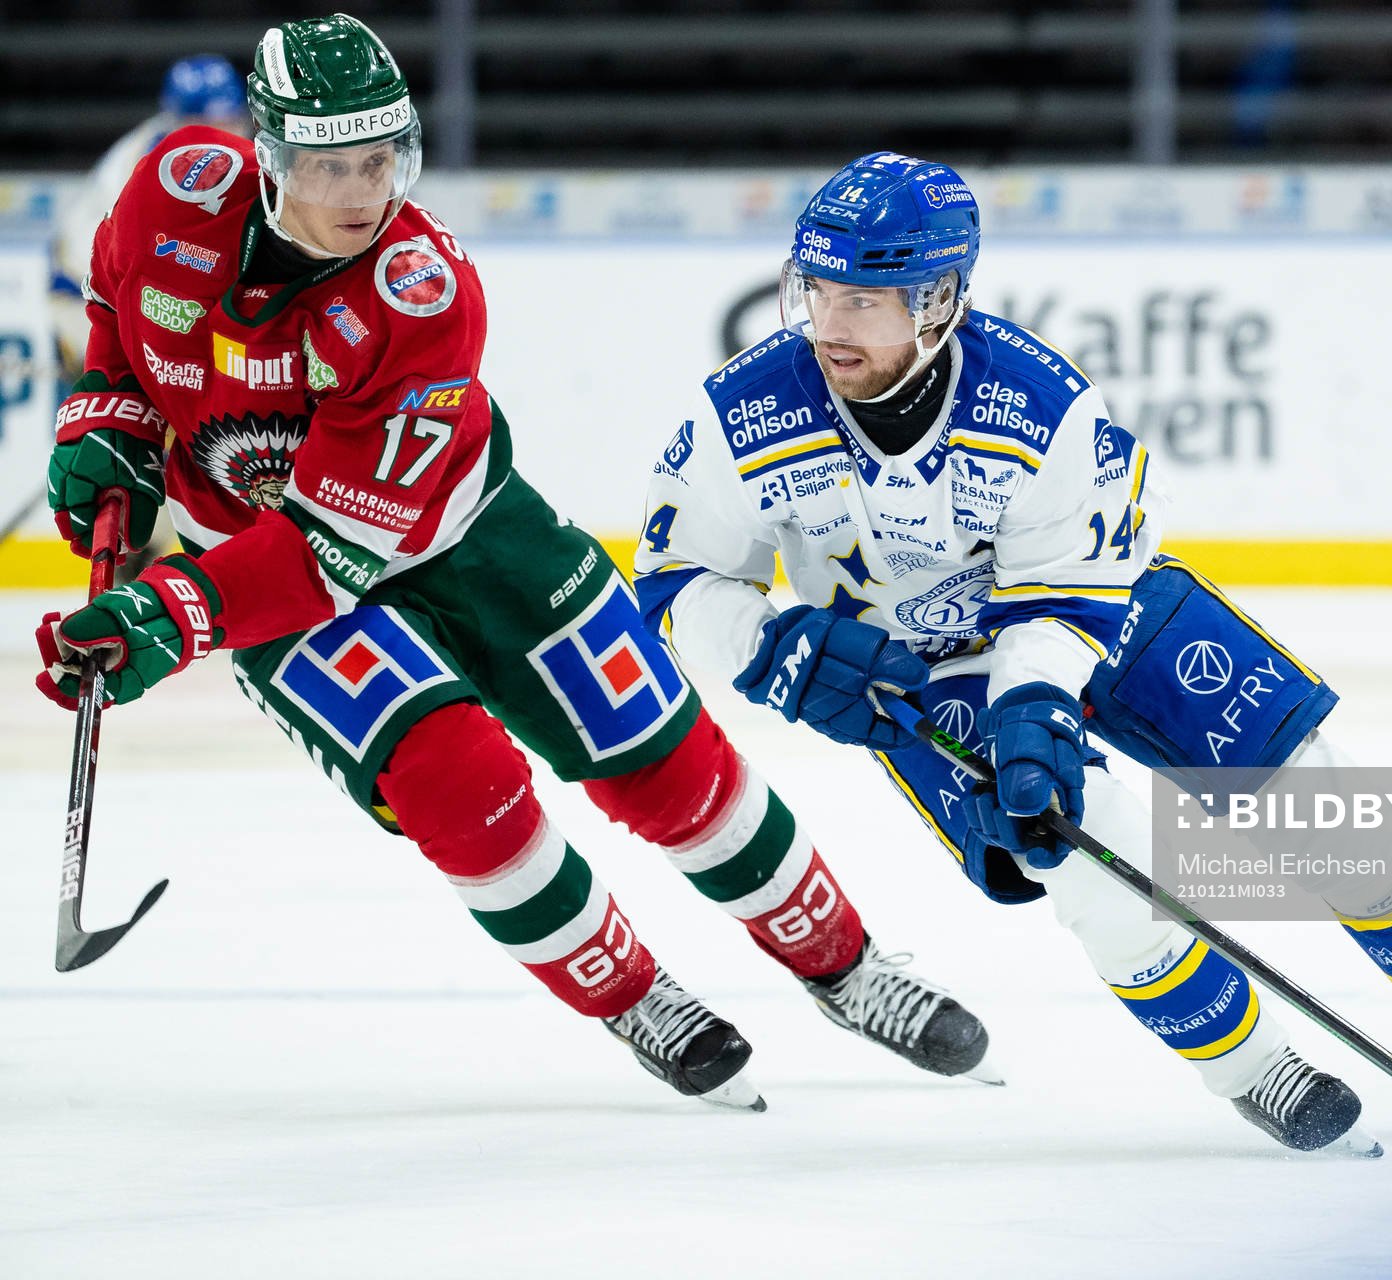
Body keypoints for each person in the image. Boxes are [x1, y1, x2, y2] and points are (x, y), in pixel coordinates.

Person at [33, 17, 995, 1113]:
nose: (364, 192)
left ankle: (846, 966)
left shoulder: (421, 293)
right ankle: (635, 996)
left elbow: (336, 548)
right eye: (332, 165)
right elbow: (114, 312)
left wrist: (169, 615)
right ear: (268, 156)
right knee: (457, 784)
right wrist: (106, 417)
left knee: (657, 750)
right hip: (247, 562)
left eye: (383, 159)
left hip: (458, 530)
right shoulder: (168, 193)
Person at [632, 151, 1392, 1152]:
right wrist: (771, 647)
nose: (829, 326)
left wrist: (1034, 702)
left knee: (1314, 793)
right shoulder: (743, 411)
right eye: (816, 291)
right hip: (917, 673)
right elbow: (670, 578)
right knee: (1090, 862)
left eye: (864, 300)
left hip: (1098, 609)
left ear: (937, 302)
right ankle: (1256, 1069)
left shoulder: (1037, 404)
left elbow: (1067, 591)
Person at [51, 55, 253, 386]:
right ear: (177, 121)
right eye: (208, 123)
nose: (226, 132)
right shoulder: (152, 165)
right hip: (86, 298)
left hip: (116, 286)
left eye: (232, 120)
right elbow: (138, 262)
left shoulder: (194, 154)